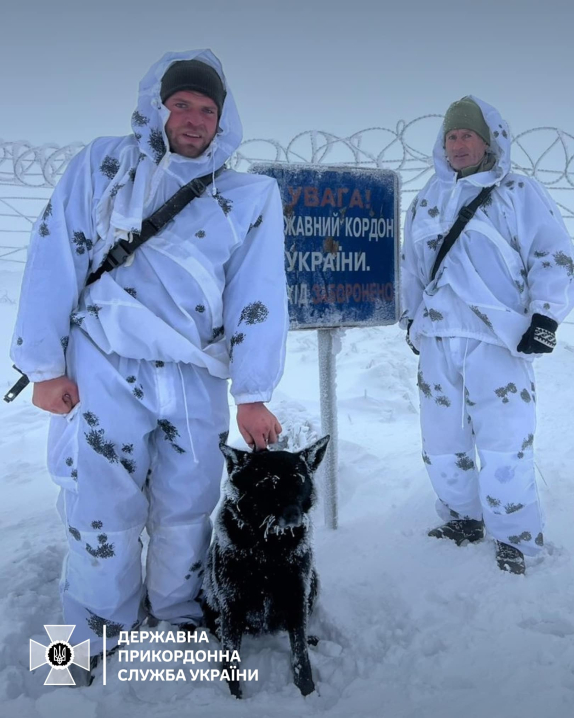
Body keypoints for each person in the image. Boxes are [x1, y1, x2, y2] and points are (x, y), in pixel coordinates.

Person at [10, 49, 288, 678]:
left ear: (224, 121)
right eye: (181, 104)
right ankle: (76, 644)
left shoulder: (248, 196)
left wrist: (253, 391)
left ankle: (178, 612)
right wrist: (44, 366)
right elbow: (55, 255)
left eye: (206, 109)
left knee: (190, 500)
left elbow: (260, 293)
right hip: (104, 360)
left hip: (194, 372)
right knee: (97, 502)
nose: (192, 118)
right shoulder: (102, 164)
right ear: (155, 108)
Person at [401, 95, 574, 575]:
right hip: (438, 337)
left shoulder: (519, 192)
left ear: (488, 141)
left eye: (467, 136)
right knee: (440, 439)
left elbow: (552, 253)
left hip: (499, 337)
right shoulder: (427, 199)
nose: (458, 144)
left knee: (504, 440)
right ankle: (462, 518)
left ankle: (517, 538)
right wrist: (411, 321)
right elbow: (411, 269)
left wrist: (545, 316)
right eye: (451, 136)